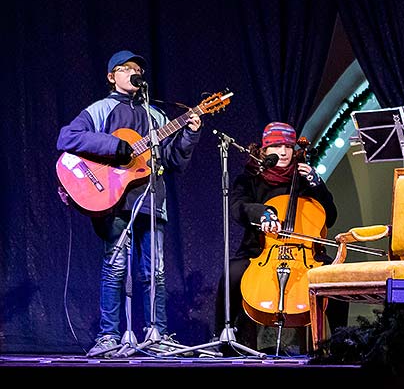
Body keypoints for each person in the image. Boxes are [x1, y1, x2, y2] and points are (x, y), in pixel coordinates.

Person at [57, 50, 203, 357]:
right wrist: (116, 145)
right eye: (126, 69)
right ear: (112, 76)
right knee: (116, 266)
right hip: (113, 199)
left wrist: (190, 134)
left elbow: (176, 160)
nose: (133, 72)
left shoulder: (158, 115)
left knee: (156, 272)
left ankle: (156, 334)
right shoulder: (101, 108)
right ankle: (109, 335)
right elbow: (67, 138)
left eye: (137, 68)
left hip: (151, 200)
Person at [215, 121, 348, 352]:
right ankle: (224, 336)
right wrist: (263, 213)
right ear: (264, 150)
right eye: (276, 146)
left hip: (305, 253)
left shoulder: (305, 178)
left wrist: (317, 185)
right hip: (259, 251)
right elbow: (238, 207)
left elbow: (331, 216)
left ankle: (339, 340)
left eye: (288, 146)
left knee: (335, 277)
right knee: (231, 274)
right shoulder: (250, 178)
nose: (284, 152)